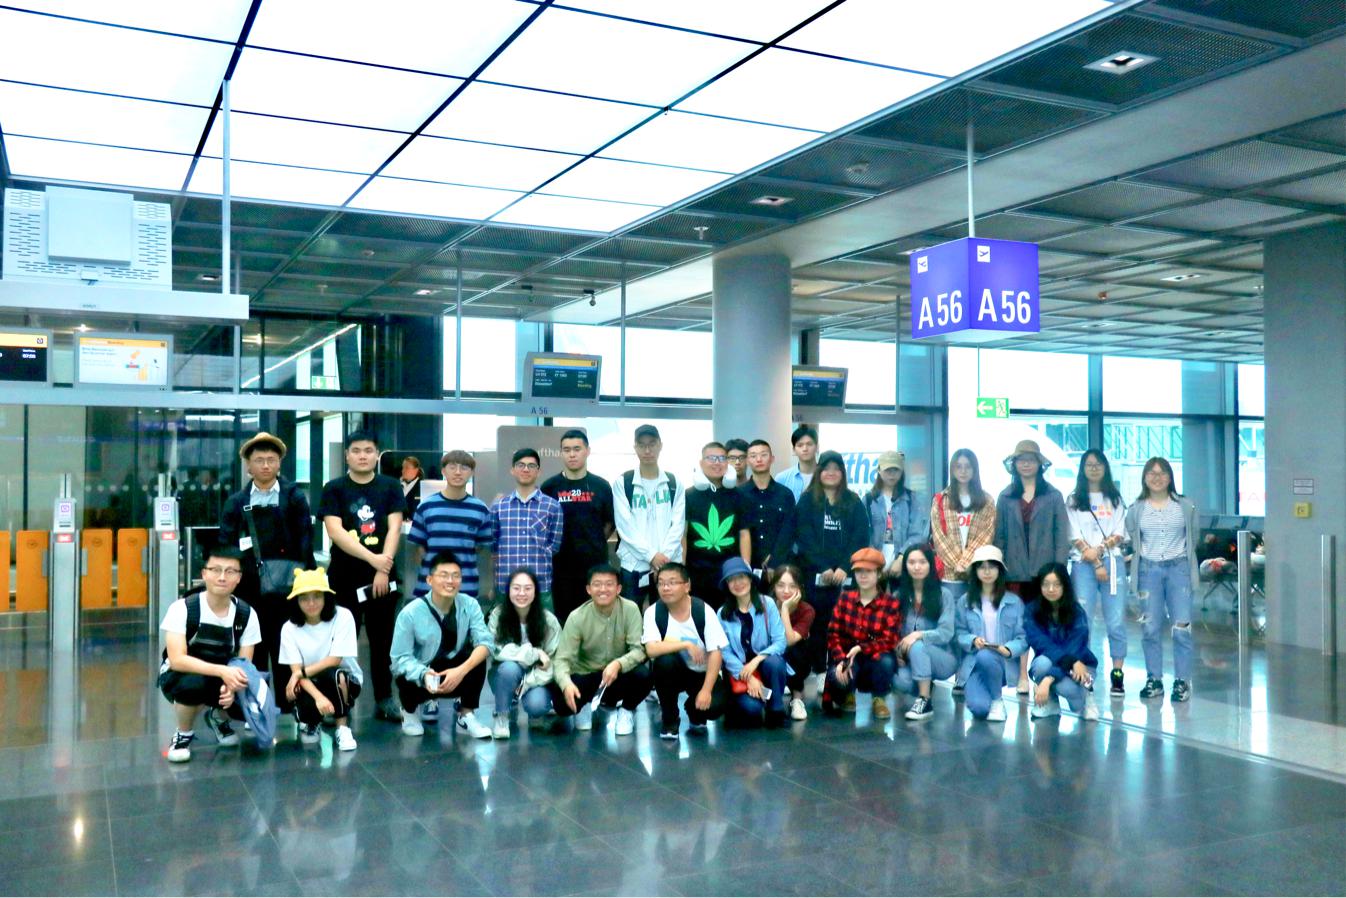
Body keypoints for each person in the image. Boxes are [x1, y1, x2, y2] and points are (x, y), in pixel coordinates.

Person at [218, 432, 314, 712]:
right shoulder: (236, 501)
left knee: (286, 645)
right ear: (248, 465)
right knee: (252, 646)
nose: (265, 465)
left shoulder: (294, 496)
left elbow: (306, 538)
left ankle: (290, 705)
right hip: (248, 588)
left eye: (271, 459)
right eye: (259, 460)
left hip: (288, 587)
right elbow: (226, 543)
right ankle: (256, 706)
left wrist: (306, 581)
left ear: (279, 463)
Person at [319, 430, 405, 722]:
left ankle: (384, 698)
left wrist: (383, 568)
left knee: (383, 640)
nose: (362, 456)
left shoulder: (390, 486)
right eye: (356, 450)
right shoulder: (334, 488)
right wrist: (374, 560)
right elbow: (335, 531)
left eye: (368, 450)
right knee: (341, 642)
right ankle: (338, 698)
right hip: (344, 577)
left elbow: (394, 528)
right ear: (347, 455)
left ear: (377, 454)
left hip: (383, 577)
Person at [157, 547, 261, 763]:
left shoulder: (246, 614)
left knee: (254, 694)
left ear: (239, 577)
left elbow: (244, 663)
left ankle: (217, 717)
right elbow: (177, 660)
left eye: (230, 571)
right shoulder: (183, 608)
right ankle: (183, 733)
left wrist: (232, 688)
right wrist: (222, 672)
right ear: (204, 574)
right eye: (216, 570)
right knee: (192, 685)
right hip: (184, 674)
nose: (222, 577)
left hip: (224, 674)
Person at [389, 550, 494, 739]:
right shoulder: (410, 613)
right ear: (429, 580)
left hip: (453, 672)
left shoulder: (470, 605)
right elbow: (399, 659)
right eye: (443, 575)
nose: (450, 581)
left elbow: (486, 642)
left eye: (455, 576)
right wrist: (423, 674)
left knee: (477, 656)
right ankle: (409, 712)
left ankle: (466, 714)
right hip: (422, 673)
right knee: (403, 673)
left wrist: (461, 671)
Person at [994, 439, 1069, 694]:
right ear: (1014, 464)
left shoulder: (1053, 496)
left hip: (1045, 573)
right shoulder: (1005, 497)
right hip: (1014, 572)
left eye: (1031, 459)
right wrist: (999, 570)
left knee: (1046, 622)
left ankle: (1044, 673)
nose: (1026, 464)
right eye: (1021, 460)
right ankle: (1022, 675)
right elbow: (999, 536)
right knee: (1019, 625)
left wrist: (1058, 571)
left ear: (1039, 464)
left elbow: (1061, 536)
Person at [793, 449, 870, 692]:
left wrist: (844, 567)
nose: (831, 473)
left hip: (845, 577)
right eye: (826, 468)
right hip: (815, 575)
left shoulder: (853, 501)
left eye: (836, 469)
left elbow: (860, 537)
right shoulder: (807, 500)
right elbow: (803, 536)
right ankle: (819, 671)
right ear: (819, 472)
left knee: (843, 626)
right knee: (817, 625)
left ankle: (841, 669)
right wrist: (823, 566)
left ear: (843, 473)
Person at [1124, 456, 1199, 704]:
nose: (1157, 478)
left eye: (1162, 473)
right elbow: (1133, 537)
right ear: (1144, 477)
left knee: (1182, 628)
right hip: (1148, 571)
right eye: (1152, 473)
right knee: (1150, 627)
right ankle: (1154, 679)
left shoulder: (1185, 505)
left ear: (1170, 477)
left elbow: (1194, 536)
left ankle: (1182, 680)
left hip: (1179, 569)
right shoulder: (1136, 509)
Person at [550, 564, 652, 735]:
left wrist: (619, 664)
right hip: (586, 676)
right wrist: (566, 685)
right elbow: (562, 660)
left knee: (644, 676)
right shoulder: (577, 617)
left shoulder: (630, 609)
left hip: (615, 676)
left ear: (618, 588)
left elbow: (639, 650)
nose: (603, 589)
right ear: (588, 589)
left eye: (609, 584)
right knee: (562, 704)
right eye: (597, 584)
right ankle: (584, 705)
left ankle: (626, 711)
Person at [1066, 449, 1130, 696]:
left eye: (1098, 464)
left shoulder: (1115, 499)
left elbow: (1120, 532)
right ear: (1082, 469)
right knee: (1083, 620)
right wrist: (1093, 559)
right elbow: (1073, 534)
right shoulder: (1073, 500)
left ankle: (1117, 674)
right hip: (1083, 564)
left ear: (1105, 468)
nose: (1094, 469)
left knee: (1116, 621)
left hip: (1112, 563)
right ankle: (1085, 671)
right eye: (1089, 464)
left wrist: (1100, 551)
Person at [643, 562, 729, 740]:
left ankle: (694, 709)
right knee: (664, 662)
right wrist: (685, 645)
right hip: (674, 671)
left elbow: (716, 652)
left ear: (687, 586)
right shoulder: (654, 612)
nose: (666, 588)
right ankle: (670, 719)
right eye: (661, 583)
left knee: (715, 707)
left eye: (672, 582)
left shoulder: (702, 610)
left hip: (701, 672)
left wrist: (706, 691)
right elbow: (651, 649)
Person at [279, 567, 362, 751]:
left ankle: (342, 727)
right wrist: (318, 697)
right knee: (300, 692)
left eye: (317, 596)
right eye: (304, 598)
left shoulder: (343, 616)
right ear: (296, 601)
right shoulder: (288, 628)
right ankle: (312, 721)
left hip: (344, 680)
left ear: (326, 597)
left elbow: (334, 660)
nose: (311, 603)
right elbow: (296, 671)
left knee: (334, 675)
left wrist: (298, 674)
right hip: (309, 682)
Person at [540, 430, 615, 624]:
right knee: (564, 621)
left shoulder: (601, 486)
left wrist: (593, 542)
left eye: (577, 449)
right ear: (561, 453)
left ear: (587, 451)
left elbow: (609, 523)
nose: (572, 454)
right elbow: (544, 525)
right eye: (566, 450)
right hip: (560, 568)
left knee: (596, 621)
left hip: (594, 567)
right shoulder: (549, 487)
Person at [824, 548, 902, 727]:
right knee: (837, 677)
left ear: (879, 574)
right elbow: (833, 634)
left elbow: (890, 639)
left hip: (876, 659)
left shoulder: (890, 603)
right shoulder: (845, 599)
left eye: (869, 571)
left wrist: (861, 648)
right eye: (859, 571)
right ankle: (848, 694)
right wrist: (841, 660)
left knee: (886, 661)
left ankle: (879, 697)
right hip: (849, 659)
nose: (863, 576)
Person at [612, 424, 685, 607]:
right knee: (630, 617)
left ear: (660, 445)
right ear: (635, 447)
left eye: (652, 444)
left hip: (668, 564)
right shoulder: (623, 483)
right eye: (642, 445)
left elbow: (678, 525)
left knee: (667, 617)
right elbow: (625, 527)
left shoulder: (674, 483)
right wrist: (652, 556)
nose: (647, 450)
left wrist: (663, 558)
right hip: (634, 566)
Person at [408, 450, 494, 602]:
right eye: (452, 467)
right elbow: (418, 549)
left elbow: (480, 548)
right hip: (429, 588)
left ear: (472, 473)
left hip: (466, 587)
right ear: (443, 471)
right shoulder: (426, 506)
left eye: (464, 468)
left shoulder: (480, 509)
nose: (458, 472)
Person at [955, 545, 1027, 721]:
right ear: (975, 571)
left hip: (1003, 662)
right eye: (982, 567)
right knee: (979, 709)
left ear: (1000, 570)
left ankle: (997, 700)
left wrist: (1009, 649)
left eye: (992, 566)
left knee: (986, 656)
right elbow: (959, 632)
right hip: (975, 663)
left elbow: (1023, 637)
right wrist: (972, 640)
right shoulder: (965, 601)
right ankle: (988, 696)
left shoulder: (1014, 602)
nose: (987, 572)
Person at [487, 568, 561, 739]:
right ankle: (502, 715)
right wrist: (535, 653)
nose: (522, 593)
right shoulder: (498, 615)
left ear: (536, 592)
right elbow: (496, 650)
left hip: (538, 677)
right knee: (509, 668)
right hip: (505, 675)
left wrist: (527, 683)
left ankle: (531, 709)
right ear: (508, 591)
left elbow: (554, 661)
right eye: (516, 588)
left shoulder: (548, 620)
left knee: (537, 705)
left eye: (528, 588)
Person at [490, 448, 564, 612]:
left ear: (538, 471)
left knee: (544, 628)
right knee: (504, 628)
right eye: (521, 465)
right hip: (506, 585)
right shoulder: (499, 507)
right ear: (512, 470)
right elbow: (494, 546)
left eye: (531, 466)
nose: (526, 469)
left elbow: (554, 546)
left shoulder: (552, 506)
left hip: (540, 585)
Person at [717, 558, 789, 728]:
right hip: (740, 672)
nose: (737, 583)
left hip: (765, 667)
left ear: (750, 578)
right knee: (752, 710)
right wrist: (748, 677)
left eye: (741, 577)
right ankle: (743, 702)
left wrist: (756, 660)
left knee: (775, 662)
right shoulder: (722, 613)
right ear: (727, 584)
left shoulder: (767, 604)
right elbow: (725, 652)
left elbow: (780, 641)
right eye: (731, 579)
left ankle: (776, 708)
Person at [1024, 562, 1100, 721]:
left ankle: (1087, 695)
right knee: (1041, 664)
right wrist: (1069, 662)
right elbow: (1041, 643)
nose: (1051, 589)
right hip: (1064, 662)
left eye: (1057, 584)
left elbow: (1075, 648)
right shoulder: (1031, 610)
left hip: (1081, 664)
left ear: (1065, 585)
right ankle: (1050, 703)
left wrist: (1048, 679)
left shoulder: (1077, 612)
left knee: (1071, 695)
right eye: (1046, 584)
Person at [892, 545, 957, 721]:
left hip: (942, 657)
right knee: (900, 682)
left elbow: (946, 632)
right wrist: (896, 650)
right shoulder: (898, 596)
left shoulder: (943, 595)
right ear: (905, 566)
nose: (917, 567)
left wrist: (918, 635)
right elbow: (891, 632)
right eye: (911, 562)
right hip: (909, 657)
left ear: (930, 565)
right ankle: (925, 684)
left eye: (922, 562)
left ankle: (924, 700)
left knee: (917, 645)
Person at [682, 441, 750, 610]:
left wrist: (745, 567)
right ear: (701, 463)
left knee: (729, 615)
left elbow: (744, 534)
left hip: (729, 572)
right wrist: (681, 570)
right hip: (697, 572)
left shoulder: (738, 496)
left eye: (722, 458)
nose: (717, 463)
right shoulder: (688, 496)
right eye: (712, 458)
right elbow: (682, 535)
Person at [738, 439, 797, 575]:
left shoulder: (785, 494)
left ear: (772, 459)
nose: (759, 459)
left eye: (763, 455)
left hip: (780, 565)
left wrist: (774, 560)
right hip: (747, 565)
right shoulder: (739, 494)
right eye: (753, 456)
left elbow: (789, 531)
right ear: (747, 461)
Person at [865, 451, 927, 575]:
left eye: (896, 470)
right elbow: (864, 534)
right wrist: (875, 561)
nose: (892, 474)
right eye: (888, 470)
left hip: (904, 566)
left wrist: (901, 558)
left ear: (902, 471)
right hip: (874, 566)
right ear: (879, 470)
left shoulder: (912, 499)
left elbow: (917, 534)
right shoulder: (868, 500)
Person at [770, 565, 814, 721]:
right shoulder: (766, 605)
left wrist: (784, 610)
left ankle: (797, 698)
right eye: (781, 585)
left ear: (799, 588)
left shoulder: (807, 610)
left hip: (795, 660)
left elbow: (788, 641)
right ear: (773, 587)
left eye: (792, 586)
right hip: (769, 657)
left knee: (797, 649)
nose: (786, 591)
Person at [775, 424, 818, 501]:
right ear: (794, 450)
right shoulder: (782, 478)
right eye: (800, 445)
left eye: (809, 444)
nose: (805, 449)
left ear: (817, 447)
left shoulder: (827, 476)